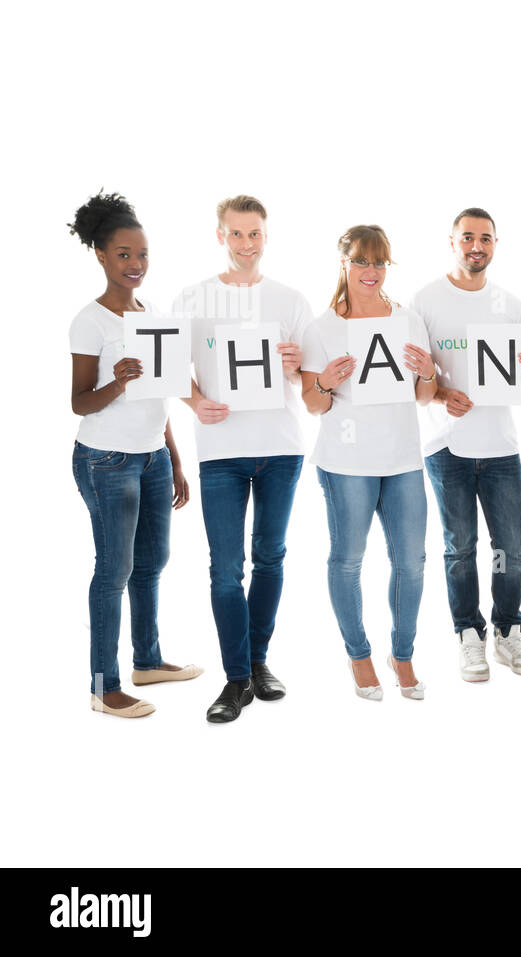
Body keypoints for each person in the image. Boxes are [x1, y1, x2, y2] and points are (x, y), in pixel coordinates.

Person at [174, 195, 314, 723]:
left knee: (271, 558)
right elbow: (166, 364)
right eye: (236, 234)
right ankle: (235, 679)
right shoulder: (194, 298)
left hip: (280, 449)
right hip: (221, 454)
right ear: (220, 236)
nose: (246, 244)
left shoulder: (290, 300)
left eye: (254, 234)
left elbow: (314, 387)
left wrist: (301, 365)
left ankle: (258, 663)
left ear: (265, 237)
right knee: (226, 569)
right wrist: (194, 400)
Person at [68, 191, 200, 718]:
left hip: (151, 457)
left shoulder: (153, 314)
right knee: (114, 570)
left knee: (152, 564)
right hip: (106, 461)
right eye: (124, 254)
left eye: (142, 254)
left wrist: (174, 456)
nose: (136, 265)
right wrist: (117, 383)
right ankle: (105, 686)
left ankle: (148, 661)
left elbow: (161, 394)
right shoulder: (91, 322)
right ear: (101, 255)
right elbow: (78, 402)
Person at [300, 225, 436, 701]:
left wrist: (428, 373)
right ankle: (359, 655)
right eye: (362, 261)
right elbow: (313, 405)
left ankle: (402, 654)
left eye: (379, 263)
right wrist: (324, 382)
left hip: (402, 459)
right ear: (344, 263)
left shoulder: (409, 319)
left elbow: (424, 397)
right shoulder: (322, 327)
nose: (371, 272)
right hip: (346, 462)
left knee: (412, 562)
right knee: (348, 559)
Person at [411, 207, 521, 682]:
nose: (476, 246)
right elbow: (414, 380)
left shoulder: (510, 305)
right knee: (459, 546)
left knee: (513, 545)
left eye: (485, 238)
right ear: (452, 242)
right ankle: (469, 634)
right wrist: (444, 394)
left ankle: (508, 630)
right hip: (446, 445)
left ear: (495, 244)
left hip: (501, 443)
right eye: (467, 237)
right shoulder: (424, 301)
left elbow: (515, 381)